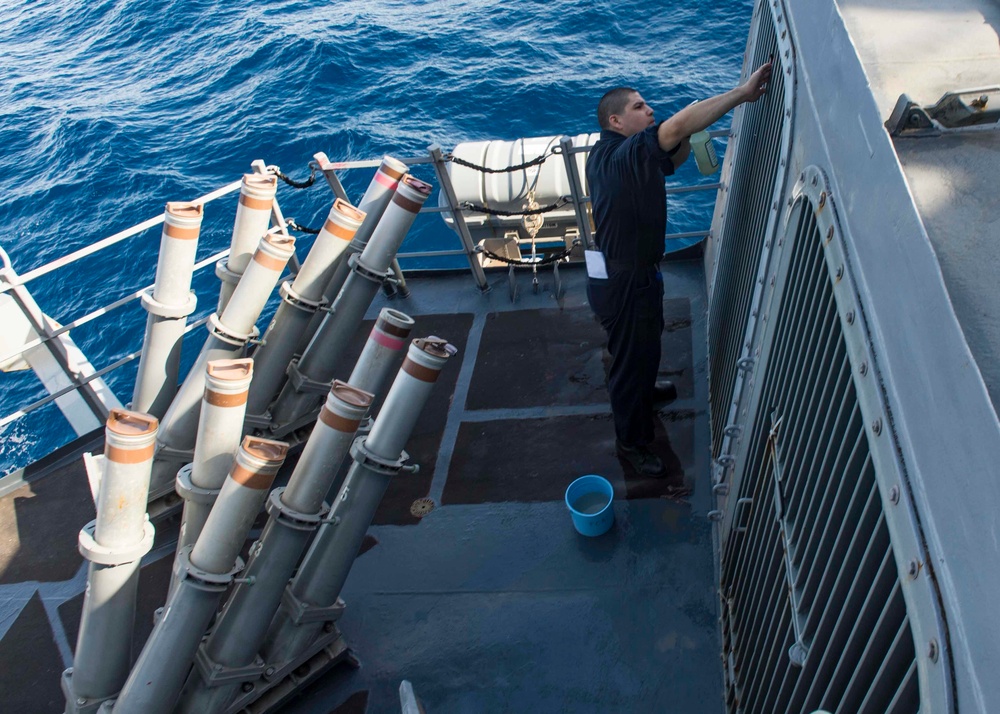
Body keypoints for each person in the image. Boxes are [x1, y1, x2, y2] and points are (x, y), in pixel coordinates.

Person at [587, 61, 772, 476]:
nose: (649, 110)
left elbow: (674, 156)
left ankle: (645, 394)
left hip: (631, 274)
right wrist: (741, 94)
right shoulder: (622, 156)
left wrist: (684, 135)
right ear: (616, 120)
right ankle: (631, 444)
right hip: (626, 280)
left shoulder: (613, 156)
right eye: (639, 106)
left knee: (646, 342)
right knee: (628, 363)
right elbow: (673, 127)